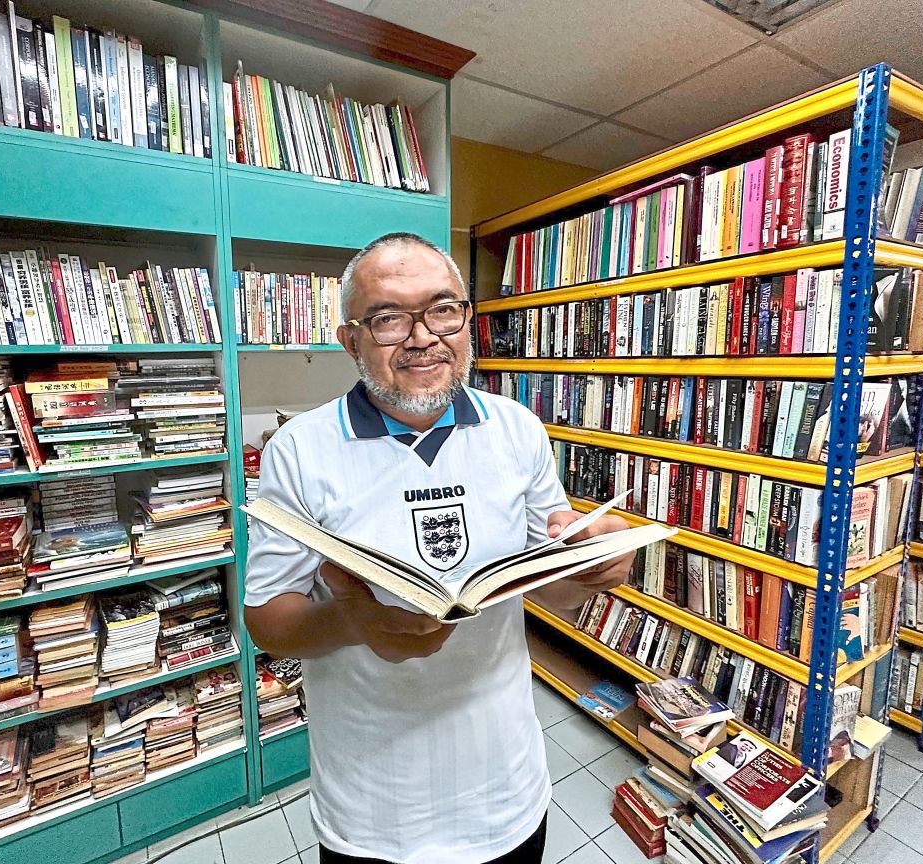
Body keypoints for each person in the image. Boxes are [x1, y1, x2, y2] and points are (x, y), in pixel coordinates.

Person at [243, 232, 635, 864]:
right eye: (388, 318)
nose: (423, 335)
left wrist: (592, 568)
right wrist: (349, 620)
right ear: (351, 342)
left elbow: (550, 596)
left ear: (467, 322)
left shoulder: (517, 430)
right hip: (373, 806)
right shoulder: (301, 450)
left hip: (507, 791)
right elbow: (267, 622)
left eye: (442, 308)